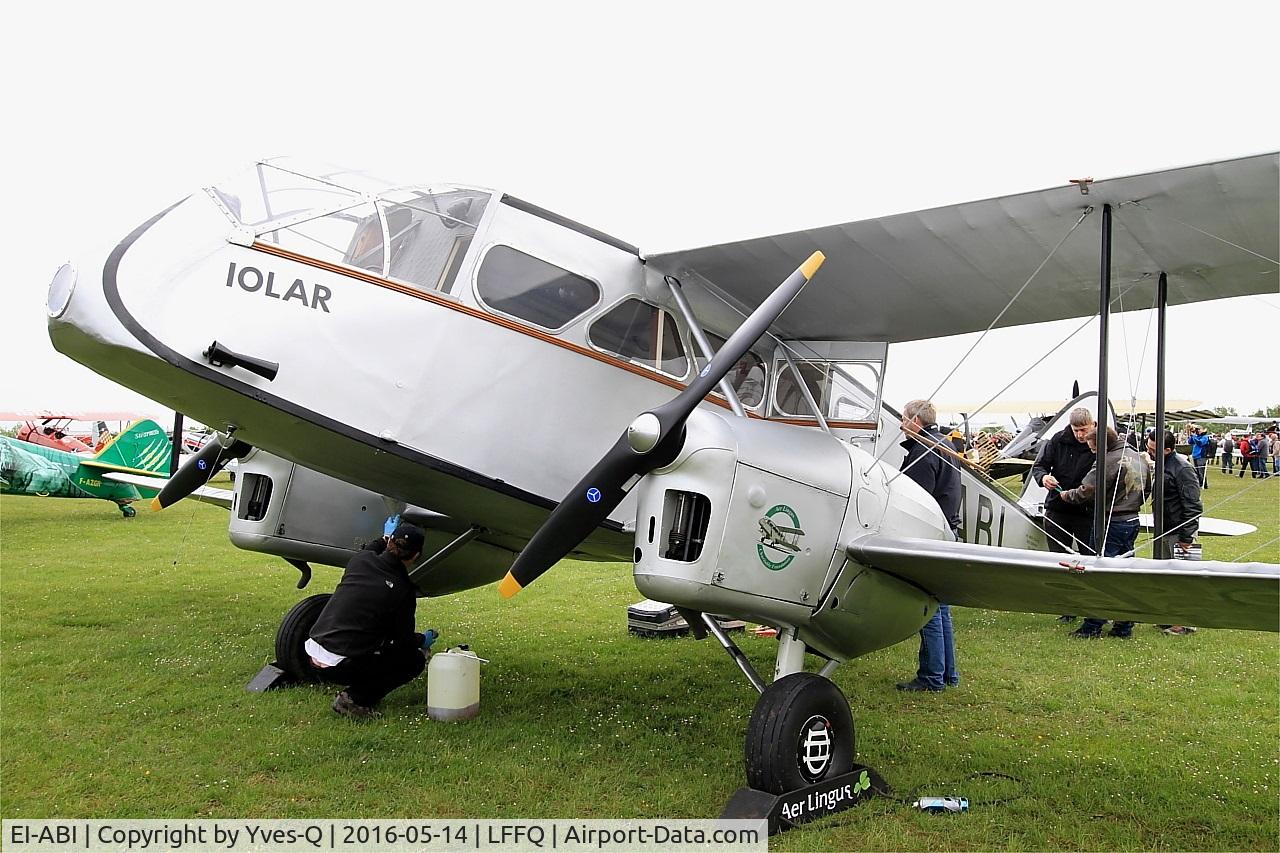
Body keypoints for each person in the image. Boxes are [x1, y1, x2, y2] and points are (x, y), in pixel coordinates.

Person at [306, 522, 434, 719]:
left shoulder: (360, 559)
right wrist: (422, 640)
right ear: (416, 556)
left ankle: (359, 685)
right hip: (340, 665)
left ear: (390, 540)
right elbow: (403, 641)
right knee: (413, 661)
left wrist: (384, 536)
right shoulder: (403, 589)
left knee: (379, 643)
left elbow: (373, 548)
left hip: (312, 654)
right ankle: (353, 699)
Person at [1059, 427, 1151, 638]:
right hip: (1132, 520)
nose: (1092, 452)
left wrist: (1066, 495)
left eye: (1093, 448)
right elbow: (1148, 489)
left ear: (1102, 444)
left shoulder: (1107, 461)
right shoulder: (1138, 457)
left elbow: (1087, 490)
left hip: (1112, 523)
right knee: (1124, 574)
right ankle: (1123, 625)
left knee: (1099, 573)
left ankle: (1092, 625)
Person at [895, 399, 961, 692]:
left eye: (903, 418)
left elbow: (913, 499)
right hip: (948, 532)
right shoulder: (945, 443)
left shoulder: (923, 450)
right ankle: (948, 675)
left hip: (931, 535)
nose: (900, 423)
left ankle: (931, 677)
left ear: (915, 421)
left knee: (929, 608)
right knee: (941, 608)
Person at [1031, 407, 1096, 623]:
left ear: (1092, 425)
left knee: (1090, 559)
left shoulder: (1099, 443)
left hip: (1088, 511)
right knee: (1061, 561)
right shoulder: (1057, 440)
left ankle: (1090, 607)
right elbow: (1038, 466)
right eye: (1076, 430)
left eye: (1084, 430)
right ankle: (1068, 608)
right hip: (1058, 510)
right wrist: (1043, 479)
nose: (1080, 435)